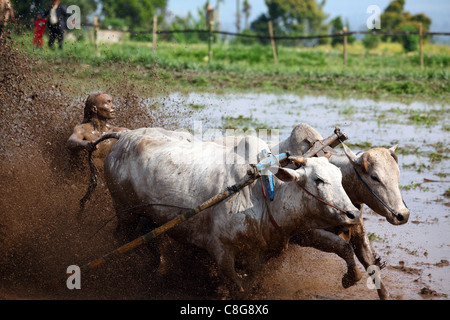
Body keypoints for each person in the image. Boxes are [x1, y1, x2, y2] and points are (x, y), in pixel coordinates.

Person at [67, 92, 128, 168]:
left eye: (112, 102)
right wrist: (85, 144)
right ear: (94, 109)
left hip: (106, 178)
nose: (113, 106)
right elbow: (71, 142)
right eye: (107, 103)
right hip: (83, 177)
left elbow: (137, 136)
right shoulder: (82, 129)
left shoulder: (118, 132)